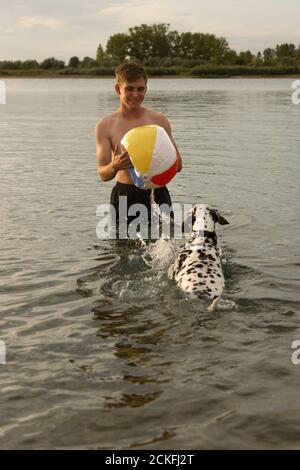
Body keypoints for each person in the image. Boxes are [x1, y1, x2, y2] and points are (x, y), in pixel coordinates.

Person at [95, 62, 182, 235]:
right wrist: (116, 165)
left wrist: (162, 159)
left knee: (168, 245)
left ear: (146, 89)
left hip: (158, 193)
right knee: (123, 251)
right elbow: (103, 174)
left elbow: (178, 165)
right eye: (129, 89)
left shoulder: (159, 121)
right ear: (118, 89)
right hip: (125, 195)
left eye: (141, 89)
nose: (136, 94)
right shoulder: (105, 125)